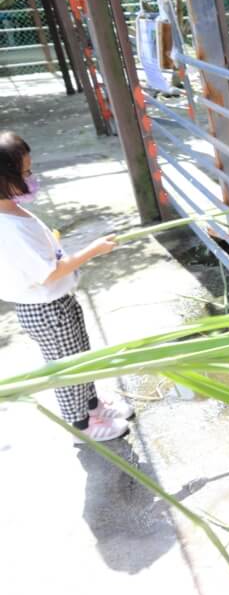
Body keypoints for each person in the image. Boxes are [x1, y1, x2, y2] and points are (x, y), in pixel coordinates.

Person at [0, 131, 132, 442]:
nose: (31, 178)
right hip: (47, 309)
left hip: (57, 303)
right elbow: (48, 274)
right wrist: (91, 251)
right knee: (67, 367)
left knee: (80, 355)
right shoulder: (9, 228)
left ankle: (91, 405)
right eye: (25, 173)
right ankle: (82, 425)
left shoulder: (12, 211)